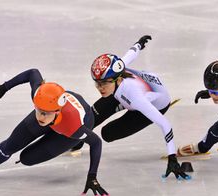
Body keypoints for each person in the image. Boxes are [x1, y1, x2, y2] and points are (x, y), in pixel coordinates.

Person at [0, 69, 109, 196]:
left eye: (45, 113)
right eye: (38, 111)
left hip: (77, 123)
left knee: (27, 158)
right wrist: (3, 87)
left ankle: (76, 142)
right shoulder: (40, 96)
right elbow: (33, 73)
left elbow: (96, 143)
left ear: (57, 111)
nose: (41, 117)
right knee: (11, 144)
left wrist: (92, 176)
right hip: (56, 110)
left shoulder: (73, 126)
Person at [73, 35, 191, 180]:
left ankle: (122, 107)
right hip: (127, 93)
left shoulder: (136, 97)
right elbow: (131, 53)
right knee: (91, 117)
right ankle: (75, 141)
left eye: (104, 83)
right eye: (97, 83)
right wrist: (139, 44)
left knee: (107, 133)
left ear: (118, 78)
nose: (100, 88)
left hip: (152, 103)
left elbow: (165, 124)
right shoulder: (117, 69)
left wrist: (172, 157)